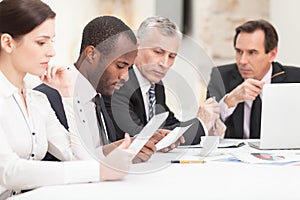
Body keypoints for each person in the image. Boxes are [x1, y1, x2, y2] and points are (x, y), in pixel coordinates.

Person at [0, 0, 134, 198]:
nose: (51, 52)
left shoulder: (37, 101)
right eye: (41, 42)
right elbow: (9, 172)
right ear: (8, 43)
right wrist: (99, 171)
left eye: (51, 41)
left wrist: (68, 95)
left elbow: (78, 157)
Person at [35, 16, 173, 163]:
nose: (125, 77)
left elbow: (95, 152)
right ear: (91, 54)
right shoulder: (47, 98)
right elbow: (71, 161)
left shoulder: (100, 94)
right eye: (120, 66)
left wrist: (131, 145)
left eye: (129, 67)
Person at [104, 16, 225, 145]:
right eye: (158, 52)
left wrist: (207, 128)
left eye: (172, 56)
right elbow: (143, 140)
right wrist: (201, 123)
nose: (165, 63)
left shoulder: (155, 85)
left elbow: (170, 125)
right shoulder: (119, 83)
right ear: (137, 46)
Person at [207, 19, 300, 139]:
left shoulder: (295, 79)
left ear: (272, 54)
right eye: (239, 51)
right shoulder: (221, 76)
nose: (242, 61)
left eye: (252, 52)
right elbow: (207, 127)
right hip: (236, 155)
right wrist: (230, 100)